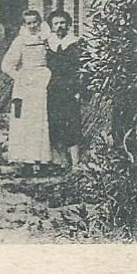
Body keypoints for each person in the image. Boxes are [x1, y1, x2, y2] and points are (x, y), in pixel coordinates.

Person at [1, 9, 52, 174]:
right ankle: (28, 162)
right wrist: (20, 77)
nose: (32, 26)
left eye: (35, 22)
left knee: (42, 120)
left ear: (40, 22)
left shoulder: (47, 39)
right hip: (25, 86)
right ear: (24, 24)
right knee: (26, 122)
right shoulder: (20, 41)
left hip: (43, 82)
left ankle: (43, 161)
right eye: (28, 23)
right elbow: (7, 65)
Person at [46, 10, 83, 170]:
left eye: (63, 23)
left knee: (72, 123)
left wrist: (79, 90)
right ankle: (60, 161)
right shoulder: (48, 44)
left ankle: (76, 162)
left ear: (68, 25)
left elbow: (83, 69)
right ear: (52, 26)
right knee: (54, 123)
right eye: (56, 23)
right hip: (52, 89)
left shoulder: (76, 44)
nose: (60, 26)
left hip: (70, 89)